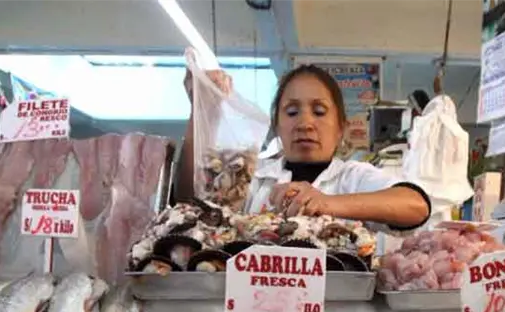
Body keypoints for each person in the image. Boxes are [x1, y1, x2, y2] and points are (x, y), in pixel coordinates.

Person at [175, 63, 431, 231]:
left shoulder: (352, 178)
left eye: (319, 112)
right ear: (276, 125)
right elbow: (190, 201)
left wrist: (327, 203)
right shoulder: (252, 176)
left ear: (340, 127)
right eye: (292, 111)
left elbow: (416, 205)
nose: (305, 123)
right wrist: (202, 109)